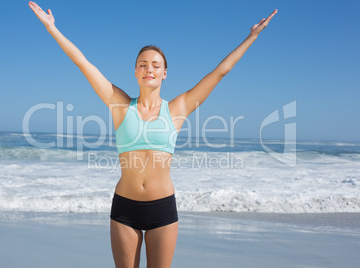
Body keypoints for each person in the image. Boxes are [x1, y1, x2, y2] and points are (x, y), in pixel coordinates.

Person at [28, 2, 277, 267]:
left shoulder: (177, 109)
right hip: (124, 209)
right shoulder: (119, 104)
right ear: (135, 72)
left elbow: (219, 73)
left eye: (156, 65)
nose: (149, 69)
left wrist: (252, 37)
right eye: (143, 64)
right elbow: (82, 63)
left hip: (162, 210)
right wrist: (51, 28)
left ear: (165, 73)